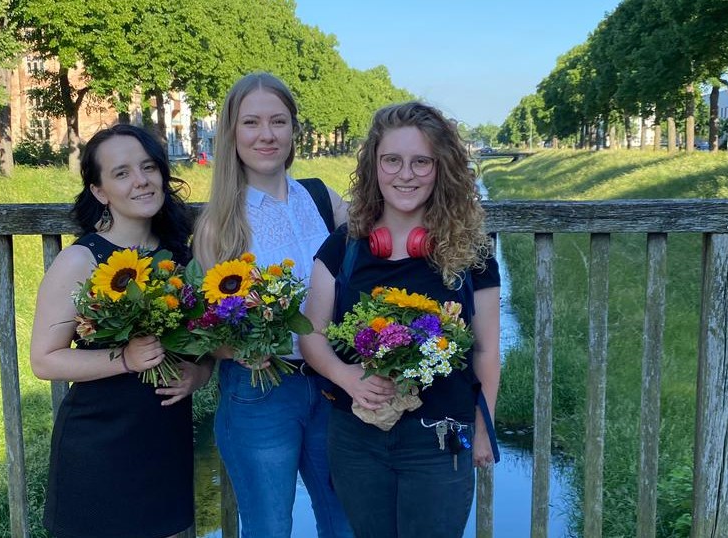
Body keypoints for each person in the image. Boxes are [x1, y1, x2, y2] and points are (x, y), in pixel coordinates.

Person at [298, 101, 501, 537]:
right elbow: (311, 334)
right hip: (356, 440)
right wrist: (347, 376)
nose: (404, 174)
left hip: (440, 439)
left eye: (420, 162)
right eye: (392, 160)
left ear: (441, 168)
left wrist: (484, 430)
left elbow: (486, 349)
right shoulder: (343, 247)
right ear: (374, 166)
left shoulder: (472, 253)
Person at [30, 124, 211, 538]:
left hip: (165, 441)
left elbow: (202, 345)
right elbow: (44, 359)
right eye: (122, 173)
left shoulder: (182, 256)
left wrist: (199, 375)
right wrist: (124, 358)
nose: (141, 181)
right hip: (100, 445)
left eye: (148, 167)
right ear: (99, 191)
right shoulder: (82, 260)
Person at [193, 72, 353, 538]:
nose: (267, 135)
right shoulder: (218, 225)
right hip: (260, 390)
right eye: (252, 123)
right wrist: (235, 348)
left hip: (332, 386)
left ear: (294, 130)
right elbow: (205, 325)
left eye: (279, 121)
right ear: (232, 133)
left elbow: (376, 247)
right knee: (268, 527)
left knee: (346, 522)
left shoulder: (322, 198)